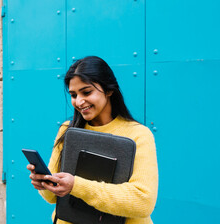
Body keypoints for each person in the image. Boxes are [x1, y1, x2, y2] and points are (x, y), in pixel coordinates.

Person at [27, 56, 158, 224]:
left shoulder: (138, 134)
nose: (79, 101)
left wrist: (76, 186)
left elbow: (143, 201)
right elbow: (52, 198)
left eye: (87, 92)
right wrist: (44, 182)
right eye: (73, 95)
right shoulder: (68, 129)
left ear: (109, 90)